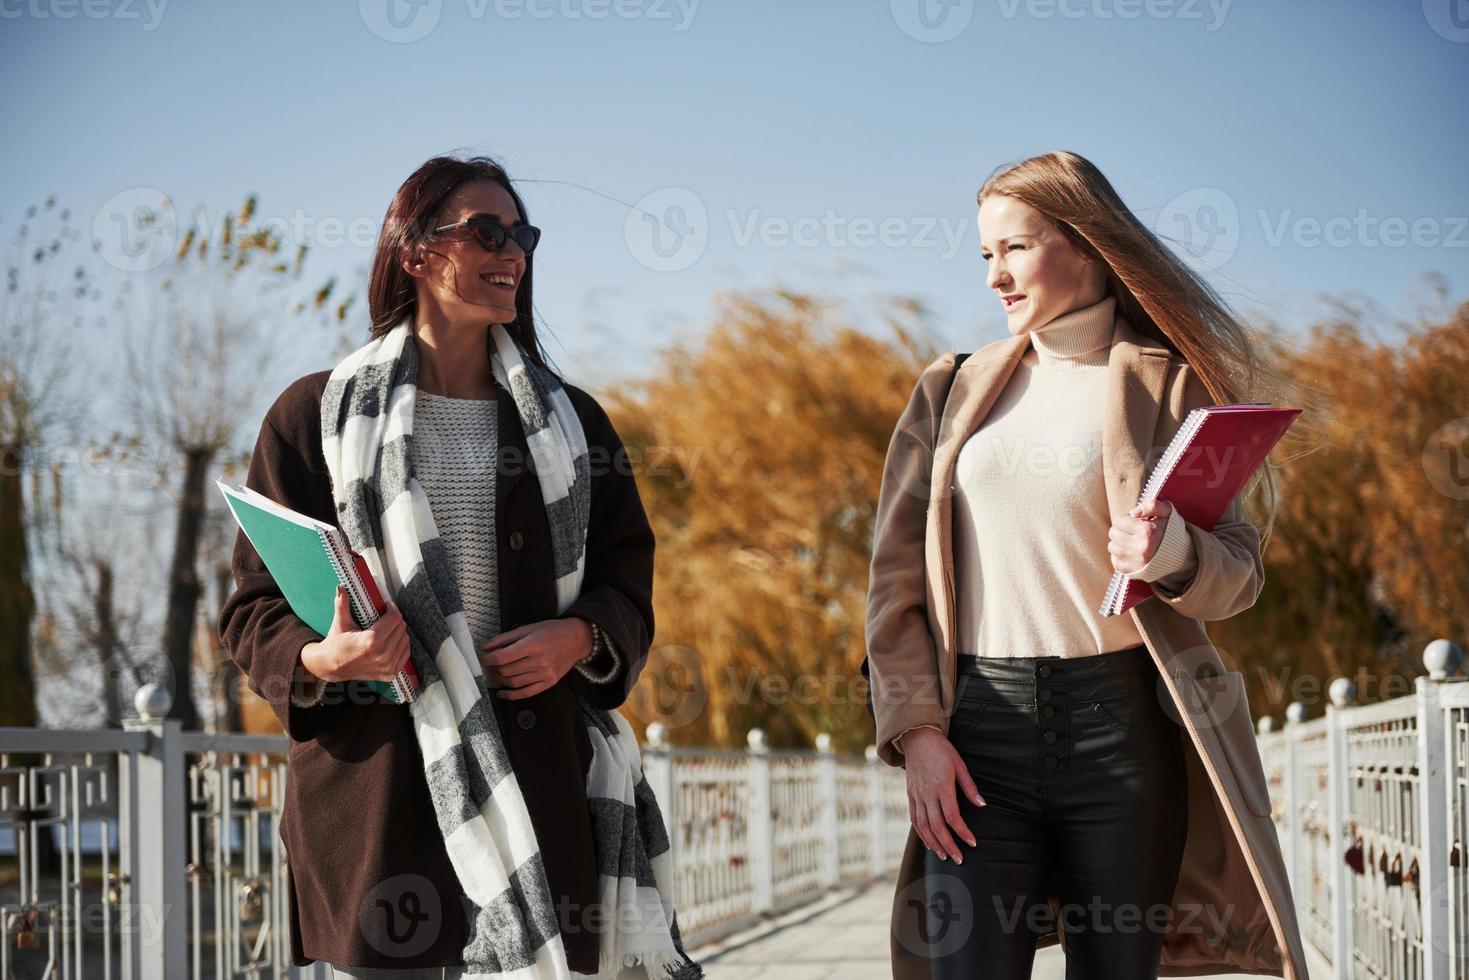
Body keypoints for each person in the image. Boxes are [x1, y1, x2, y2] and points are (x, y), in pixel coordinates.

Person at [865, 150, 1308, 979]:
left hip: (1124, 730)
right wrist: (915, 733)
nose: (996, 276)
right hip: (976, 739)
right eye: (985, 255)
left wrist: (1172, 552)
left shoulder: (1171, 388)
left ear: (1089, 244)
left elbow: (1238, 572)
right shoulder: (947, 390)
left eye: (1016, 249)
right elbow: (892, 585)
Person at [219, 155, 660, 978]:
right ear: (416, 252)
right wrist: (323, 659)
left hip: (539, 778)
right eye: (486, 232)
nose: (513, 252)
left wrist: (580, 636)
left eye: (521, 234)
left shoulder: (574, 424)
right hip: (381, 785)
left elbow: (627, 575)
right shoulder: (313, 415)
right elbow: (252, 609)